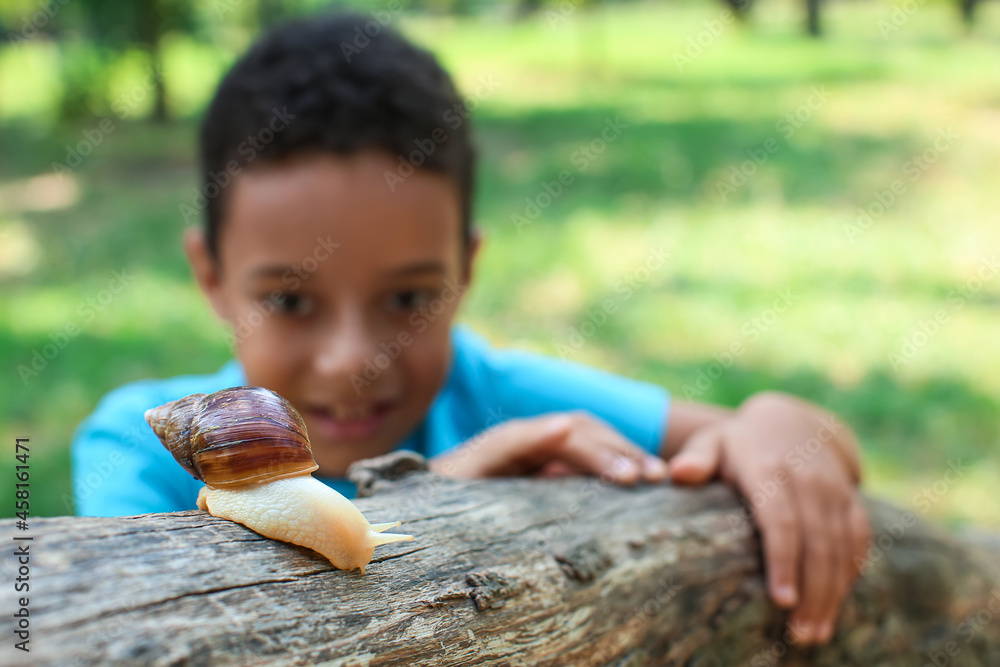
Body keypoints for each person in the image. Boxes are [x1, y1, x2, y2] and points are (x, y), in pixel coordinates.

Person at [71, 11, 869, 647]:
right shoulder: (133, 456)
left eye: (409, 297)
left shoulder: (505, 395)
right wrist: (433, 505)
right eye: (290, 301)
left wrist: (779, 419)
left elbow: (791, 443)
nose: (352, 359)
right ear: (210, 275)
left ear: (466, 270)